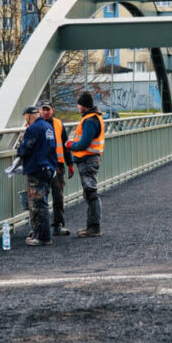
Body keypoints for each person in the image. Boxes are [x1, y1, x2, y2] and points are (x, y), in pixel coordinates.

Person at [17, 105, 66, 246]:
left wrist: (19, 150)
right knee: (43, 201)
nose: (25, 120)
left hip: (37, 168)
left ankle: (43, 237)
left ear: (29, 116)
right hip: (49, 168)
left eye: (25, 117)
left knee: (39, 204)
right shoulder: (47, 127)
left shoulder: (33, 129)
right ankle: (41, 235)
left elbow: (25, 148)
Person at [65, 91, 105, 237]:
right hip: (90, 159)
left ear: (83, 106)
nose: (78, 106)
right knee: (90, 193)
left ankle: (94, 228)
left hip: (88, 160)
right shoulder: (94, 118)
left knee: (90, 193)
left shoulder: (90, 121)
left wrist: (71, 145)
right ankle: (92, 227)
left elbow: (84, 143)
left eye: (79, 104)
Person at [40, 101, 73, 236]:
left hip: (58, 166)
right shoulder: (36, 125)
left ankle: (57, 225)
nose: (46, 112)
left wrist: (70, 163)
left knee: (58, 196)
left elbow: (65, 146)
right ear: (40, 110)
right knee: (40, 198)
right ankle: (39, 227)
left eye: (48, 109)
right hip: (42, 166)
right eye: (43, 109)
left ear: (52, 110)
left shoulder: (59, 124)